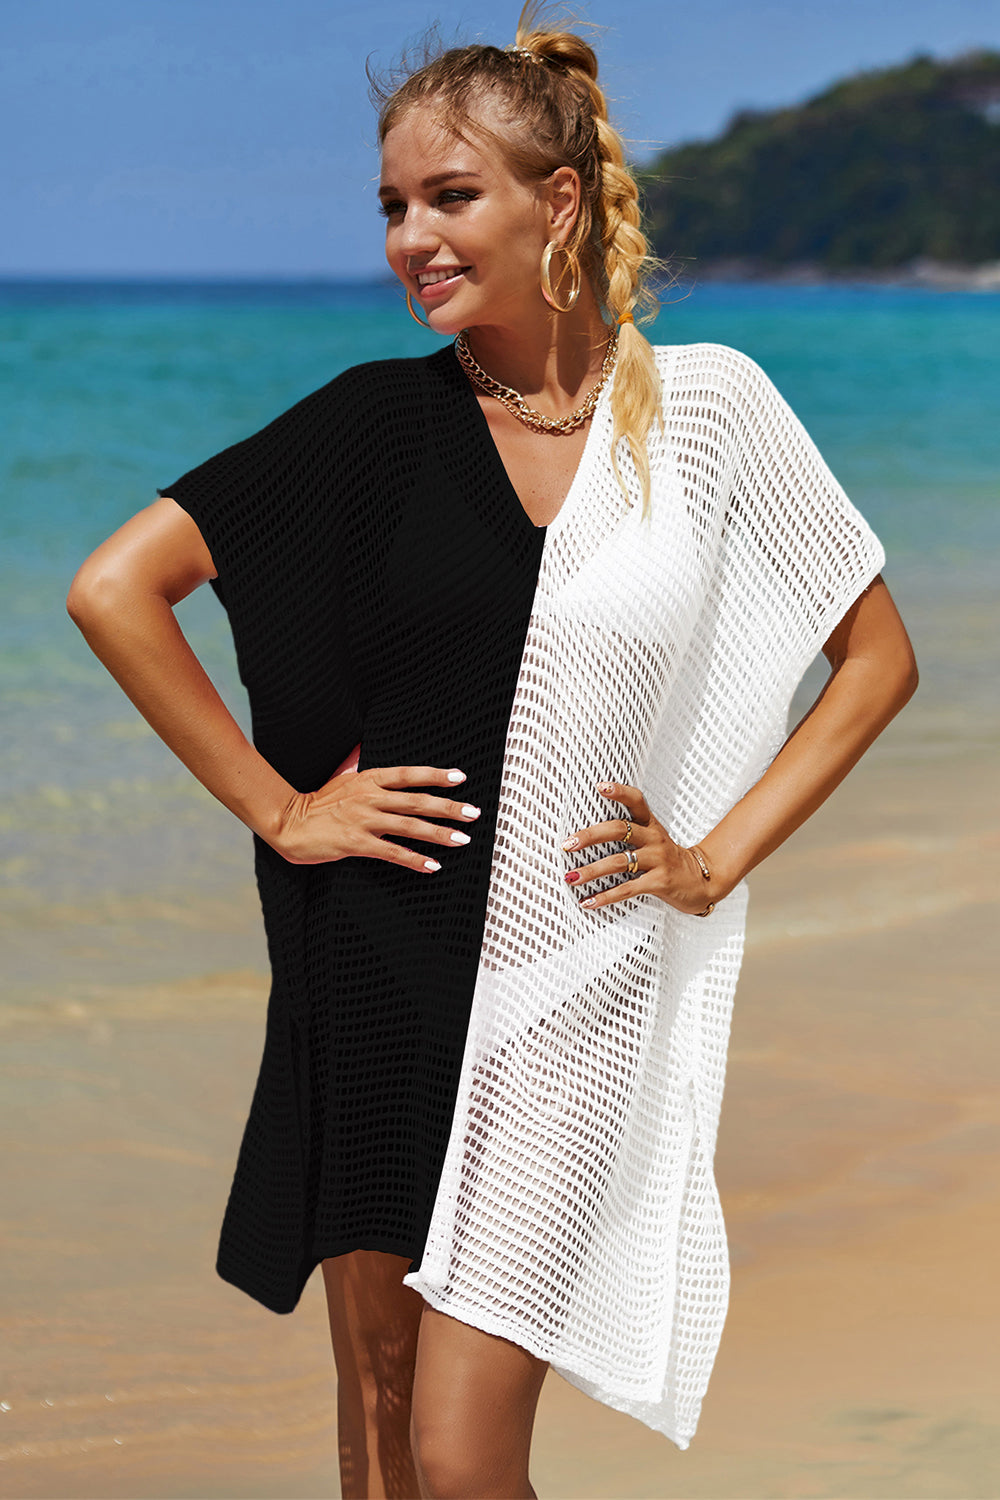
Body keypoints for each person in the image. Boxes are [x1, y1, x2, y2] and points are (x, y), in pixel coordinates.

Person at [67, 6, 918, 1498]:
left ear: (559, 202)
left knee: (462, 1459)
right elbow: (115, 588)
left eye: (450, 197)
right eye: (392, 207)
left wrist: (712, 860)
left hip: (572, 984)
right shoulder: (371, 426)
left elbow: (877, 662)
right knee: (383, 1414)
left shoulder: (707, 413)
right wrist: (285, 811)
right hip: (375, 954)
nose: (412, 239)